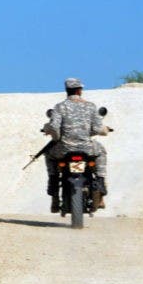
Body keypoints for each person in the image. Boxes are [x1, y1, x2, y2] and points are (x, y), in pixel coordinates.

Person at [41, 77, 109, 212]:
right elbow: (97, 129)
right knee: (101, 151)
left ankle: (54, 195)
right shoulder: (90, 106)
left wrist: (57, 138)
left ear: (67, 90)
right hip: (87, 149)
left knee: (48, 154)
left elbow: (54, 127)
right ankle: (100, 186)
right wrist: (105, 130)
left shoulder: (60, 107)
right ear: (79, 90)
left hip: (63, 149)